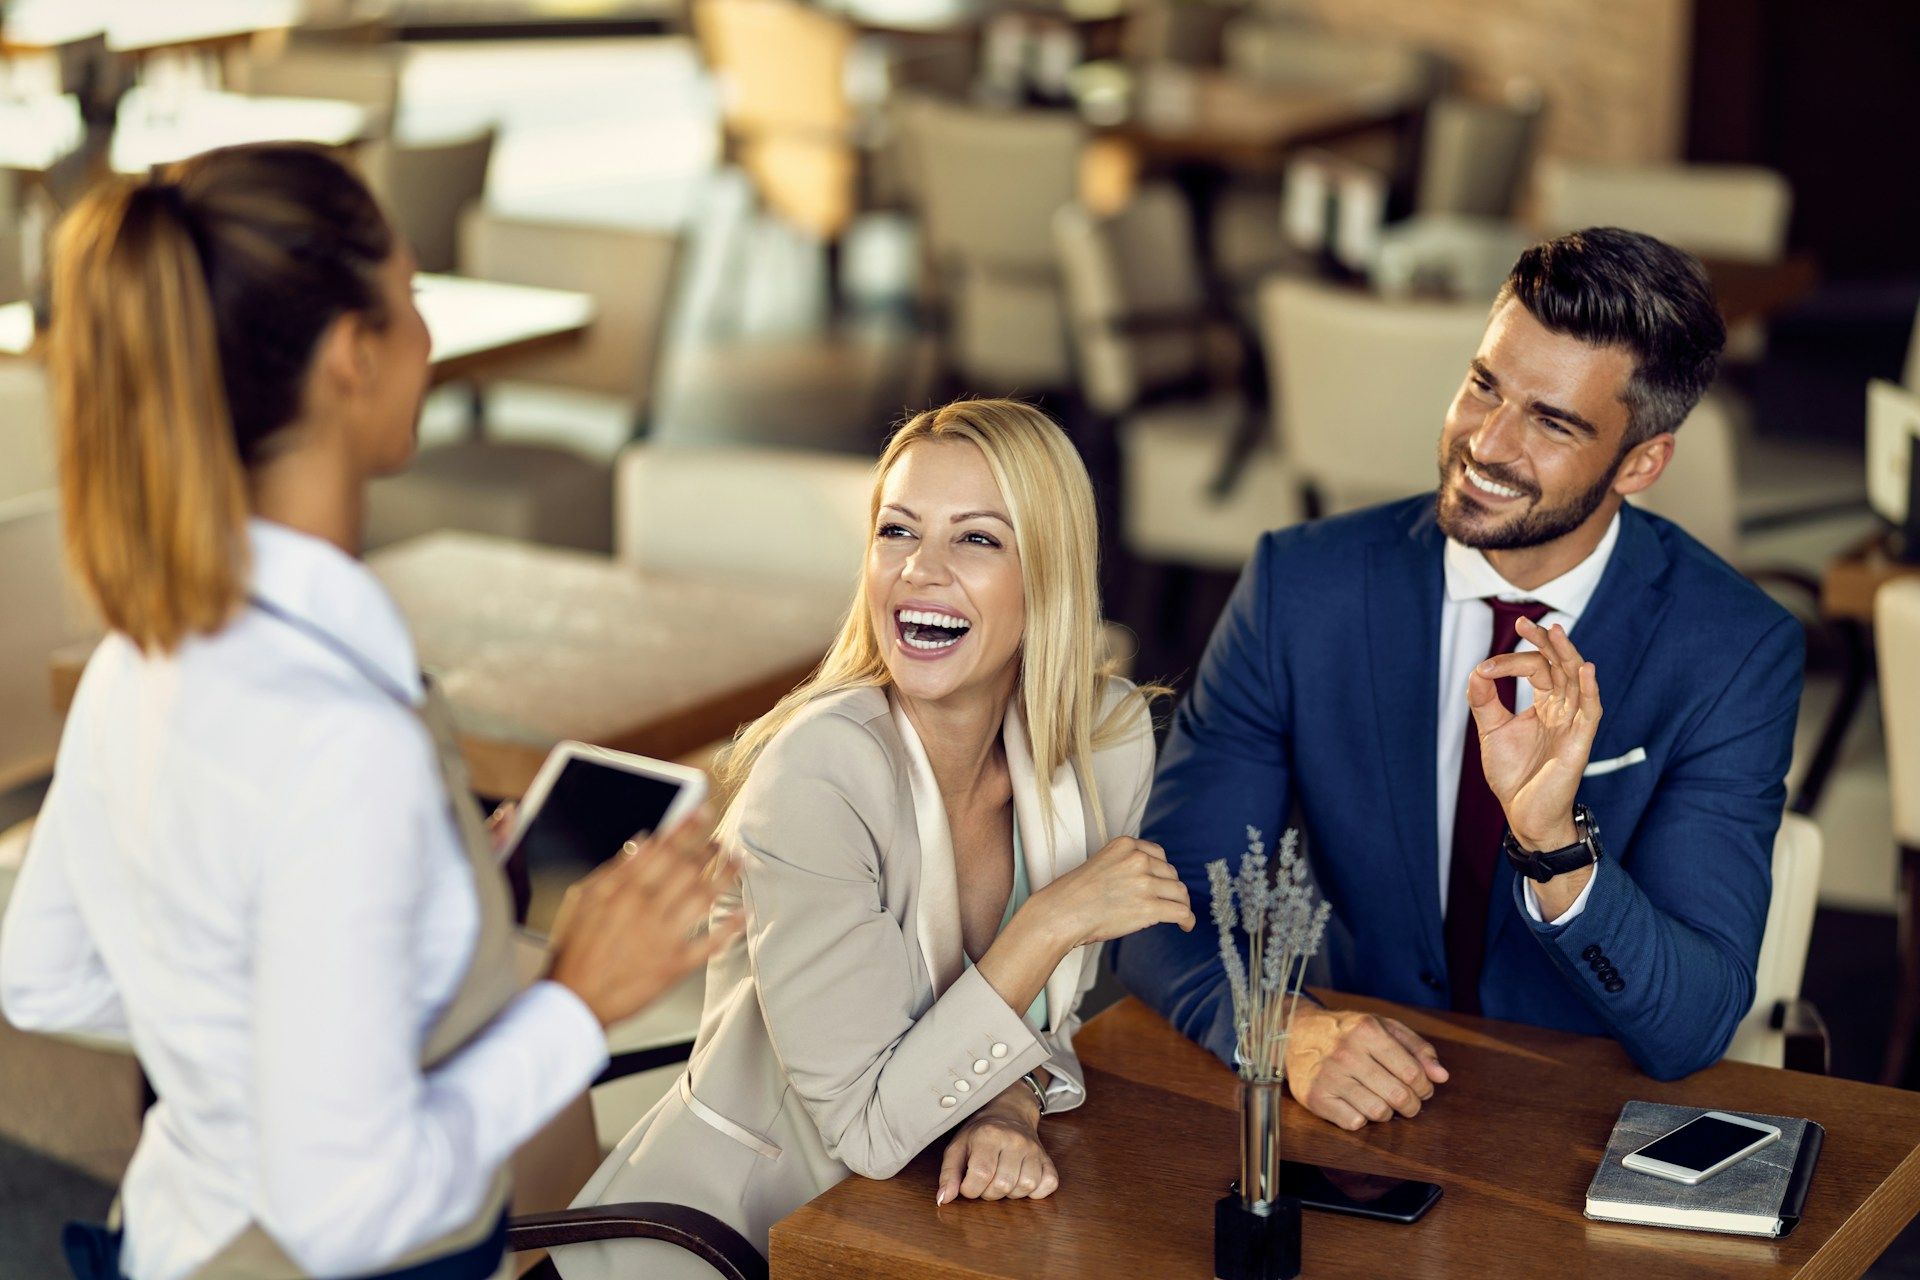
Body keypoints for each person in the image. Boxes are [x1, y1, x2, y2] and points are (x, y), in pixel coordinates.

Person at [0, 144, 737, 1280]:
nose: (429, 337)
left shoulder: (137, 659)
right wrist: (578, 1003)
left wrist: (377, 953)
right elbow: (346, 1210)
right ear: (353, 355)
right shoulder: (347, 740)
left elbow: (43, 971)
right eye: (411, 296)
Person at [1113, 227, 1803, 1128]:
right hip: (1348, 1114)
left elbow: (1690, 1027)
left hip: (1576, 1126)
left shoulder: (1731, 649)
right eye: (1484, 385)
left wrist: (1553, 843)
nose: (1487, 441)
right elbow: (1159, 904)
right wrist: (1283, 1030)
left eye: (1551, 422)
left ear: (1641, 463)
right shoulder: (1301, 588)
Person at [553, 399, 1193, 1278]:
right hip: (722, 1247)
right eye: (898, 531)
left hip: (912, 1236)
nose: (920, 570)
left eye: (976, 539)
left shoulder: (1103, 743)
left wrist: (1008, 1104)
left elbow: (1048, 1019)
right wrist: (1049, 922)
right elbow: (868, 1130)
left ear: (1048, 572)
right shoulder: (817, 774)